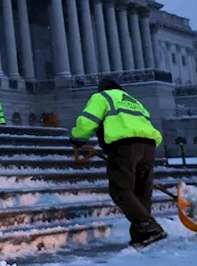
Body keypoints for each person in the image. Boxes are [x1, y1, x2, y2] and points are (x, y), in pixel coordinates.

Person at [70, 76, 167, 247]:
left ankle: (149, 226)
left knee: (120, 189)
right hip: (149, 146)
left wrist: (77, 139)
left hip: (125, 146)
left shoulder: (102, 97)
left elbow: (87, 121)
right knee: (141, 191)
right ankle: (141, 235)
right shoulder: (133, 101)